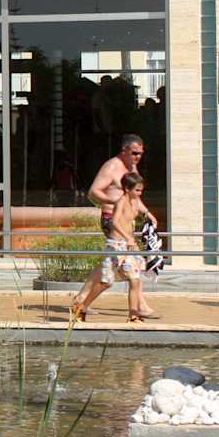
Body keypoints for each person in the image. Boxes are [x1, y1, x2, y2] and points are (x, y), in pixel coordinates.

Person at [67, 134, 153, 315]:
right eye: (134, 153)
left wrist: (147, 214)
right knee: (132, 260)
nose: (138, 157)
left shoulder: (132, 168)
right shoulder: (112, 166)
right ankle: (140, 306)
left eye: (140, 153)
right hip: (112, 220)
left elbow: (135, 197)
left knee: (110, 262)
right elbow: (93, 192)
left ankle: (81, 299)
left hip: (126, 222)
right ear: (124, 150)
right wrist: (116, 202)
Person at [71, 172, 158, 322]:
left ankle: (133, 316)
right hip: (116, 246)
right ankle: (82, 307)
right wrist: (128, 238)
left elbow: (141, 210)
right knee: (106, 282)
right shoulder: (121, 202)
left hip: (128, 246)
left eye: (141, 190)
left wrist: (150, 216)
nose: (140, 193)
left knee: (135, 280)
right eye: (137, 190)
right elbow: (115, 222)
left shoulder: (135, 201)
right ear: (127, 189)